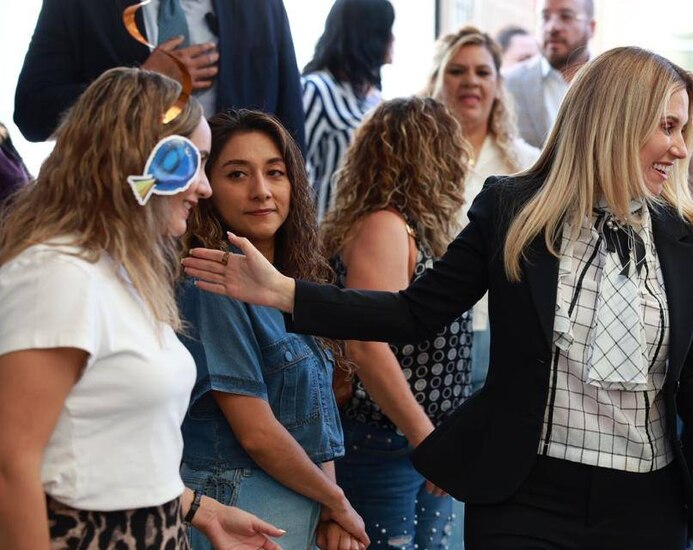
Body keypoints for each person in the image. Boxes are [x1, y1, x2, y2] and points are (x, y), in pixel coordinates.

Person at [183, 46, 693, 549]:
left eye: (683, 129)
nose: (680, 150)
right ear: (615, 122)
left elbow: (690, 373)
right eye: (667, 128)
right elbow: (412, 313)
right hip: (526, 496)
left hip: (647, 502)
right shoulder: (514, 209)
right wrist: (286, 293)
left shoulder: (682, 238)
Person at [0, 67, 284, 549]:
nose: (205, 187)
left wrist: (200, 510)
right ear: (134, 160)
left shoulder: (121, 274)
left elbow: (114, 445)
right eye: (190, 162)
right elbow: (10, 463)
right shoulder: (56, 275)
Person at [177, 109, 368, 550]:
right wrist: (336, 501)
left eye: (275, 173)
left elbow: (318, 422)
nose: (261, 191)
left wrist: (327, 508)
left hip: (296, 510)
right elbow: (257, 434)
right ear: (207, 188)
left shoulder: (292, 285)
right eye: (237, 174)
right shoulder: (212, 283)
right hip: (237, 507)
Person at [319, 96, 472, 550]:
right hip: (388, 441)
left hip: (410, 442)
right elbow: (365, 345)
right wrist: (424, 437)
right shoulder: (385, 226)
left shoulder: (414, 227)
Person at [424, 26, 540, 392]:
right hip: (426, 322)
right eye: (457, 71)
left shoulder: (527, 162)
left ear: (497, 84)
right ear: (437, 80)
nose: (470, 81)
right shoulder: (412, 158)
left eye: (482, 71)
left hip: (503, 325)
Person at [15, 0, 305, 145]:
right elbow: (33, 116)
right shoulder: (79, 6)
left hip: (230, 226)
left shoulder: (263, 6)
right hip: (121, 216)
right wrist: (139, 83)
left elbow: (290, 128)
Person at [302, 0, 394, 221]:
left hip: (365, 233)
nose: (393, 39)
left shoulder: (375, 100)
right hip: (320, 237)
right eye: (386, 30)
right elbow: (299, 171)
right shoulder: (316, 90)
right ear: (370, 35)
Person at [504, 0, 595, 148]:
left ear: (591, 27)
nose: (552, 27)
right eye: (545, 17)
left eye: (566, 16)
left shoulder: (617, 83)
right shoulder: (509, 83)